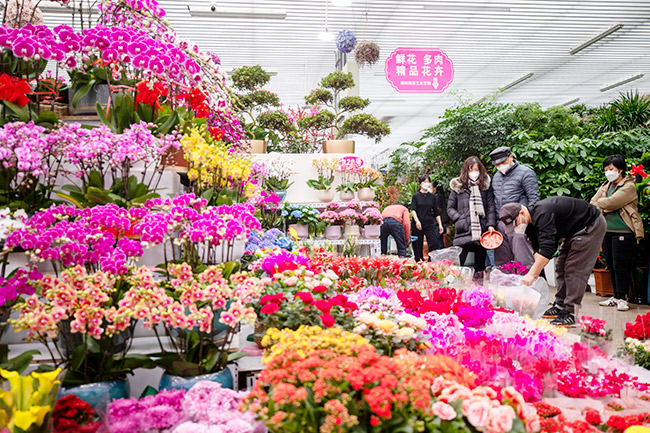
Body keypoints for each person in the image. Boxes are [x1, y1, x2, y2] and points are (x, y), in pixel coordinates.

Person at [499, 197, 606, 327]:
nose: (516, 227)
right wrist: (535, 272)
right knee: (560, 266)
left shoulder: (543, 213)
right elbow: (538, 249)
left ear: (521, 213)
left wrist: (532, 274)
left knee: (575, 269)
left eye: (515, 223)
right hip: (573, 231)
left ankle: (572, 312)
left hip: (589, 225)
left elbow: (548, 249)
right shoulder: (529, 225)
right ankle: (560, 305)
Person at [590, 155, 644, 311]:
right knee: (612, 266)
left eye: (611, 169)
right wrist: (607, 205)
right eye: (606, 169)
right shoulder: (606, 185)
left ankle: (622, 298)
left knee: (621, 265)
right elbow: (593, 203)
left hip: (624, 231)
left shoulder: (629, 186)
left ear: (620, 170)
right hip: (606, 231)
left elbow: (612, 202)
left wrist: (610, 204)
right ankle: (615, 296)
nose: (608, 172)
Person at [447, 156, 496, 277]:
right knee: (459, 264)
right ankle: (457, 289)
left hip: (481, 229)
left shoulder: (485, 187)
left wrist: (490, 224)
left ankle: (478, 291)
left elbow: (490, 207)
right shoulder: (458, 187)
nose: (474, 173)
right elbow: (450, 208)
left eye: (476, 169)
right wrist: (460, 218)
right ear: (465, 171)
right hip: (464, 229)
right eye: (471, 169)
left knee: (480, 265)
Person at [489, 146, 540, 213]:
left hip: (519, 218)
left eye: (503, 162)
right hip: (500, 220)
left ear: (511, 157)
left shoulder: (526, 173)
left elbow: (534, 199)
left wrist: (525, 217)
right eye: (497, 164)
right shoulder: (496, 176)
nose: (500, 165)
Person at [410, 174, 443, 262]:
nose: (426, 183)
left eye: (428, 181)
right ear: (420, 184)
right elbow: (413, 209)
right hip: (418, 223)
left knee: (434, 242)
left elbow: (436, 212)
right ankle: (419, 263)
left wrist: (440, 224)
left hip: (430, 223)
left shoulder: (432, 197)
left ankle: (432, 262)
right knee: (418, 245)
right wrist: (417, 221)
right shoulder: (416, 196)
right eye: (424, 181)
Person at [380, 186, 411, 258]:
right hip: (395, 222)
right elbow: (406, 224)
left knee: (382, 245)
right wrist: (406, 240)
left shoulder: (387, 207)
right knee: (401, 246)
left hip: (383, 222)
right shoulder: (404, 208)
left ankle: (382, 261)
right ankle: (402, 261)